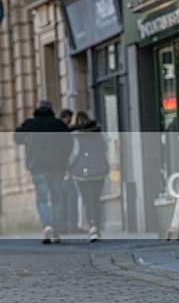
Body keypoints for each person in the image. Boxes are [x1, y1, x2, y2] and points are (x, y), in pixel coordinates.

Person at [14, 100, 72, 243]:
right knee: (57, 198)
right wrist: (64, 159)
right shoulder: (59, 124)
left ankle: (47, 226)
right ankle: (56, 230)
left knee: (42, 198)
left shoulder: (31, 124)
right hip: (57, 167)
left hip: (37, 166)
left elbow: (17, 138)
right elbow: (69, 143)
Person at [68, 113, 109, 242]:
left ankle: (93, 227)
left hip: (82, 172)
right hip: (99, 170)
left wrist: (68, 167)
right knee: (96, 199)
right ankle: (97, 224)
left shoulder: (75, 136)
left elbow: (74, 154)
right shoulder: (98, 134)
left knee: (88, 200)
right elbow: (105, 148)